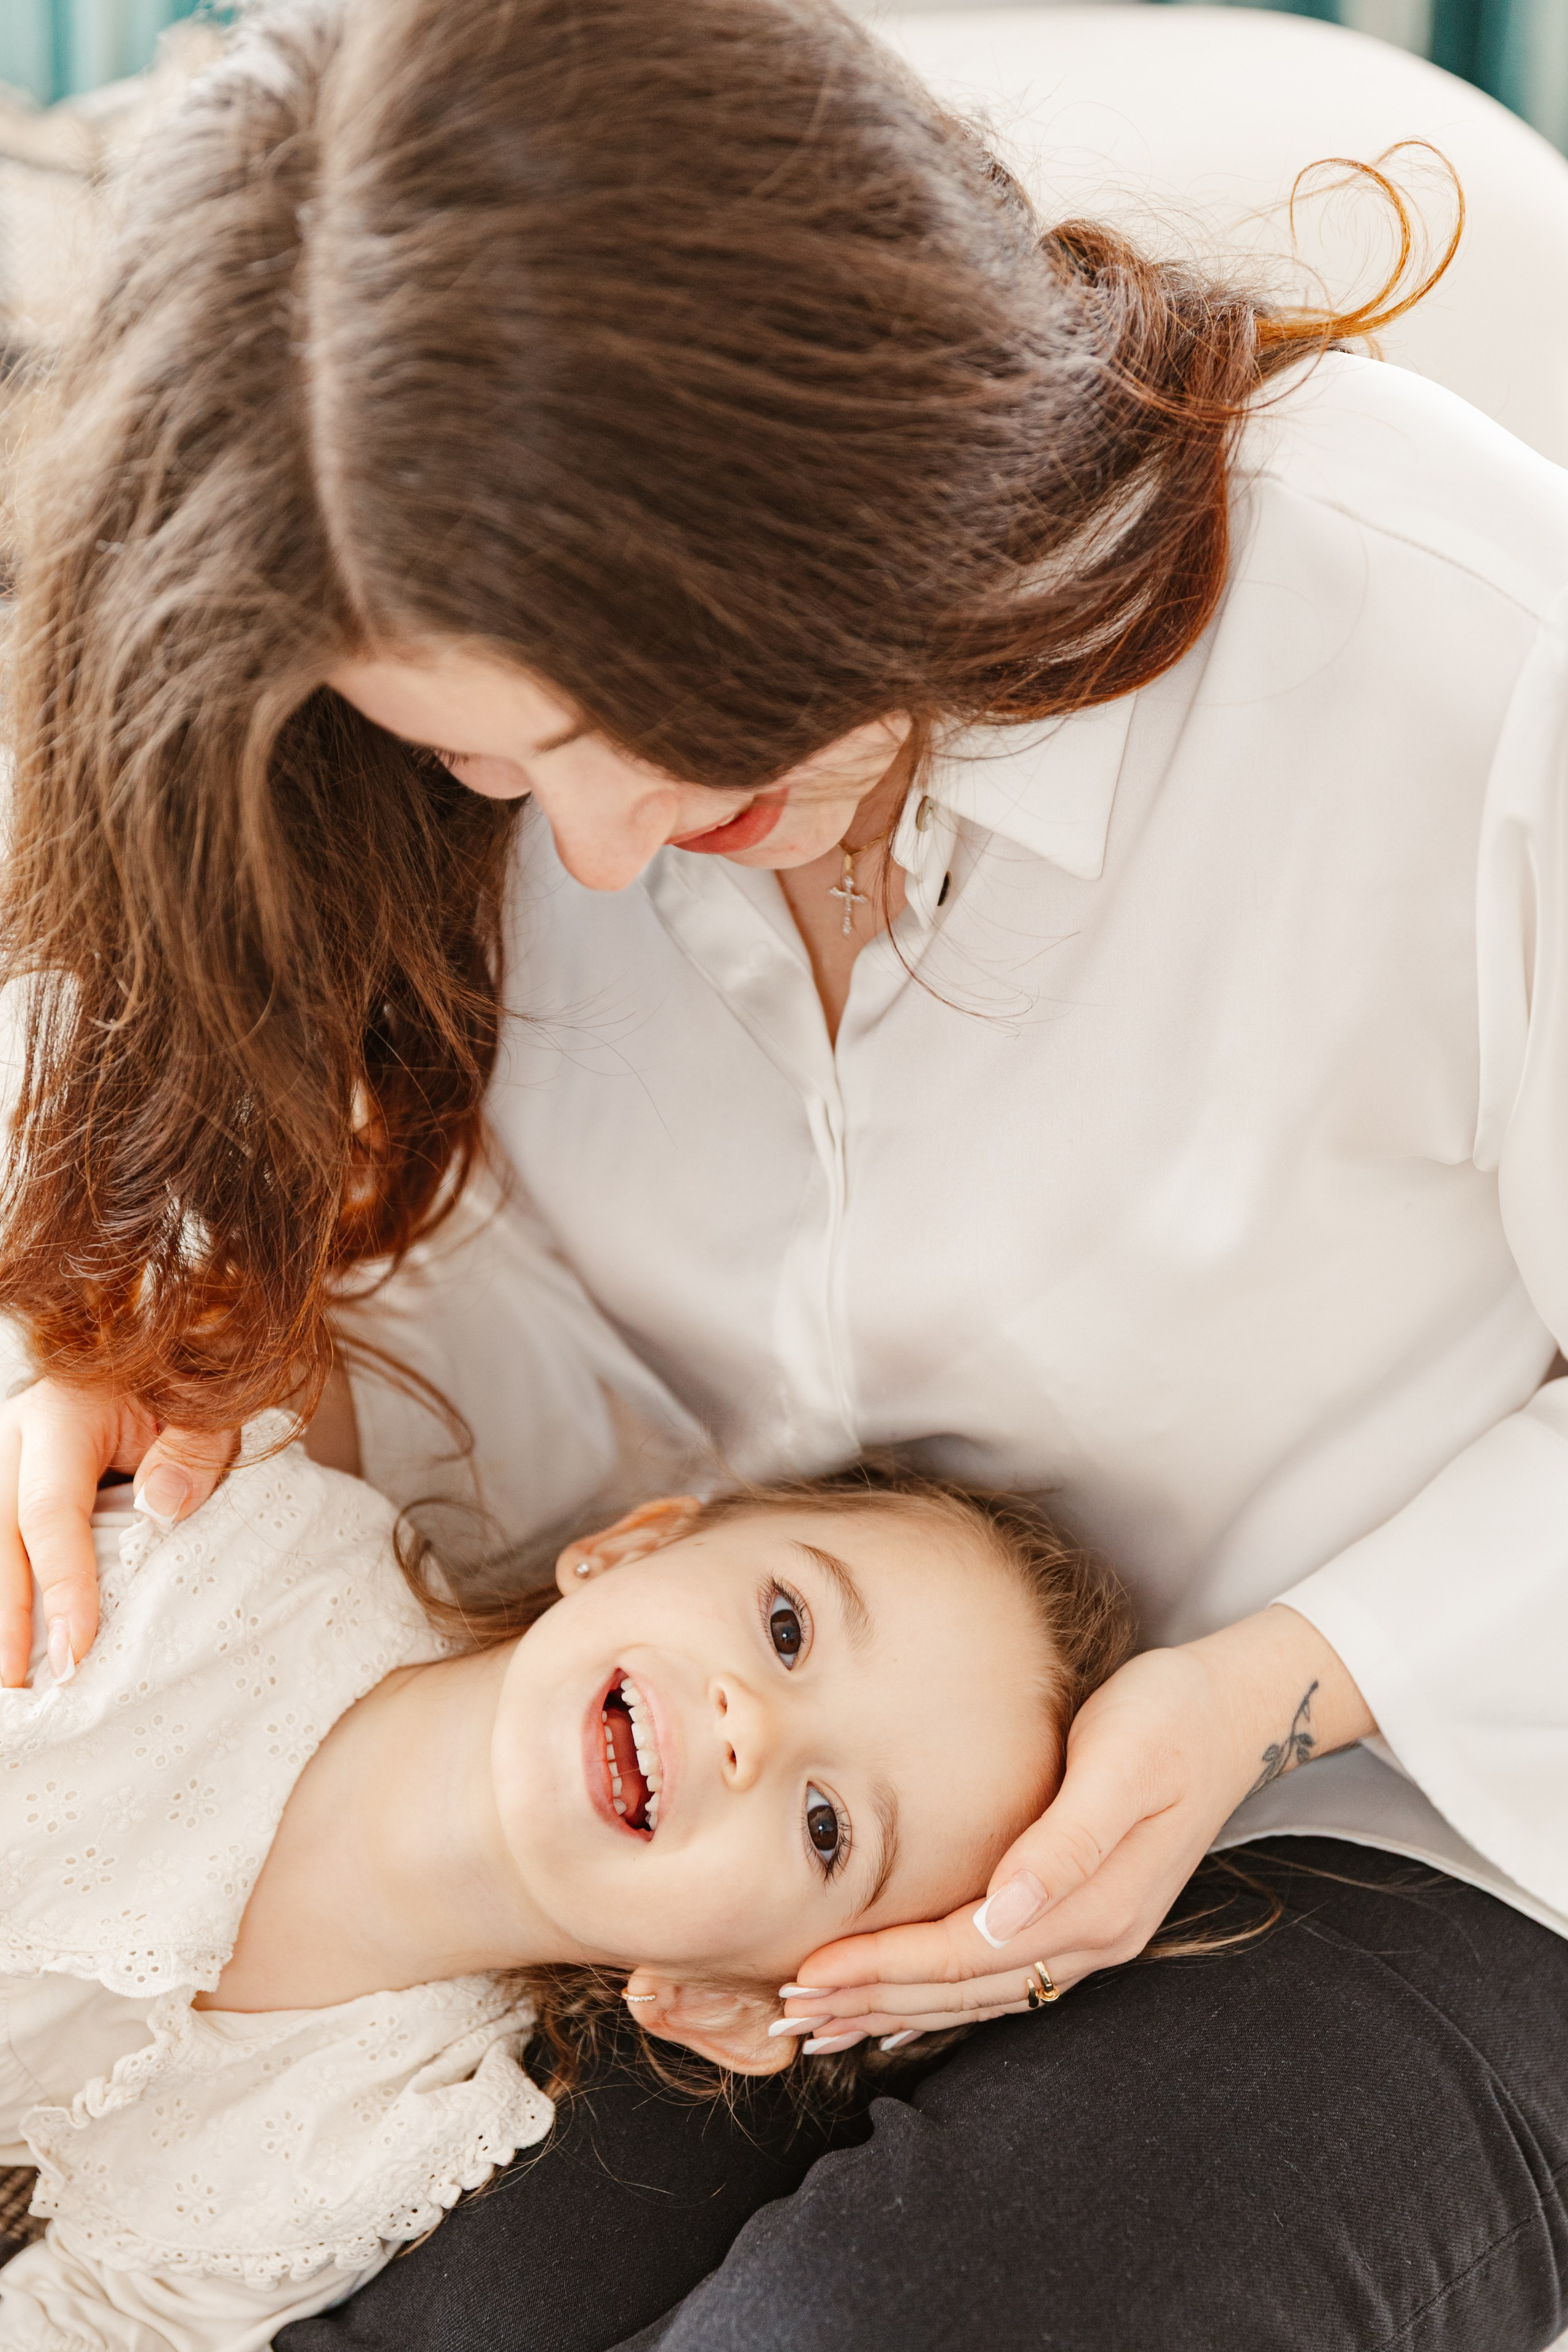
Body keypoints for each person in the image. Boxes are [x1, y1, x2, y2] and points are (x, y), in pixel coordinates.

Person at [0, 0, 1564, 2344]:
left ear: (884, 478)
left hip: (1392, 1830)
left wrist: (1285, 1684)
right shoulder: (426, 672)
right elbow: (149, 1034)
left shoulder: (1459, 655)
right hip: (699, 1852)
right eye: (501, 768)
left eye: (689, 759)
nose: (607, 861)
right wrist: (122, 1297)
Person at [0, 1427, 1131, 2350]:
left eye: (827, 1828)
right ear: (632, 1547)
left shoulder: (382, 2135)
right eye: (787, 1626)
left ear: (725, 2005)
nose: (755, 1728)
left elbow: (101, 2325)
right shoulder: (214, 1546)